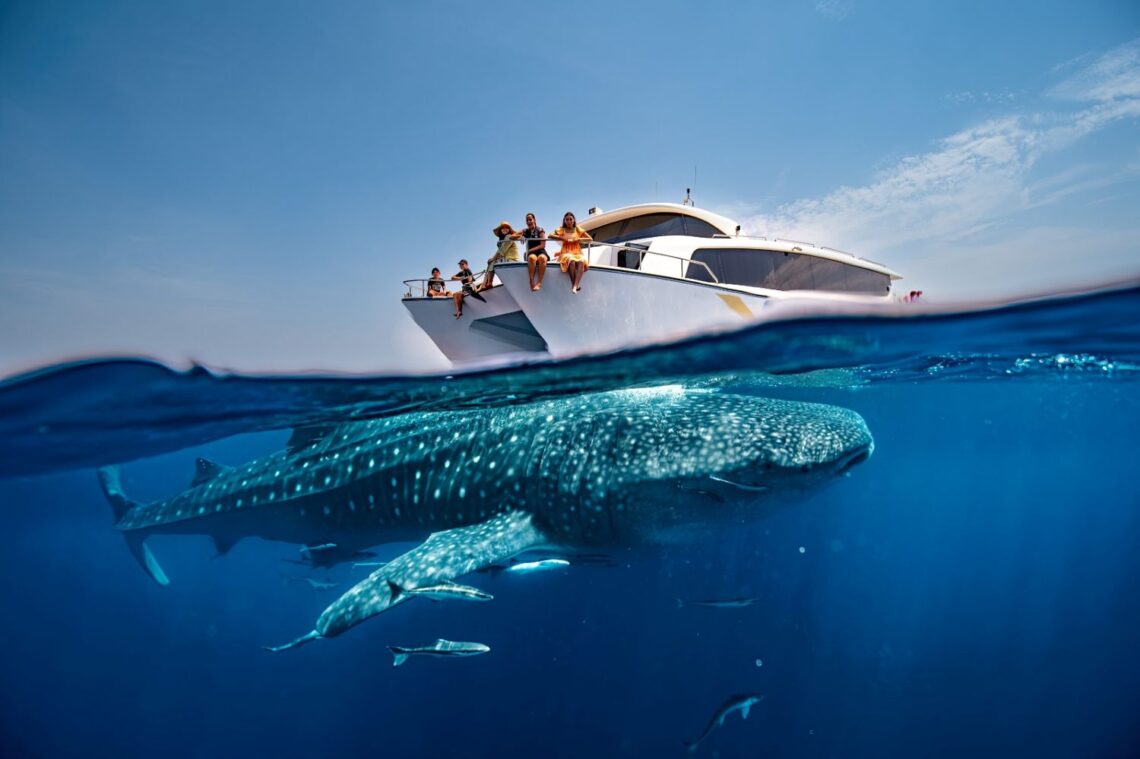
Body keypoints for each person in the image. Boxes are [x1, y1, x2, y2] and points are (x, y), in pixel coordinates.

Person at [551, 211, 592, 293]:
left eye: (570, 219)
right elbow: (550, 235)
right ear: (564, 221)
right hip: (566, 251)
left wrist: (578, 239)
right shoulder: (562, 229)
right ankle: (575, 285)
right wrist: (562, 238)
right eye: (567, 219)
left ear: (574, 220)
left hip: (577, 251)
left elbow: (590, 239)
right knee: (571, 261)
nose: (569, 221)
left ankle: (575, 286)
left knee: (581, 261)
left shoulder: (577, 229)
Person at [482, 221, 522, 290]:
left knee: (492, 262)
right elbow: (499, 251)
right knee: (490, 262)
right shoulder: (502, 241)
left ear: (509, 229)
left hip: (512, 261)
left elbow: (501, 252)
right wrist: (492, 258)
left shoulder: (509, 236)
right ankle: (485, 284)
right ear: (500, 230)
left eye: (507, 228)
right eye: (503, 228)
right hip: (505, 261)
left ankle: (488, 283)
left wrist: (493, 258)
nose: (505, 229)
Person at [521, 212, 548, 291]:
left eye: (530, 219)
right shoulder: (525, 231)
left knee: (542, 258)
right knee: (532, 258)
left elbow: (542, 245)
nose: (529, 222)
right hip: (531, 253)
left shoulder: (540, 230)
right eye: (527, 220)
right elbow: (513, 236)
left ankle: (539, 283)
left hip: (540, 251)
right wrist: (521, 236)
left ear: (534, 220)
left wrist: (529, 250)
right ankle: (531, 280)